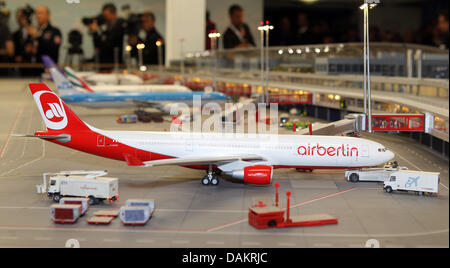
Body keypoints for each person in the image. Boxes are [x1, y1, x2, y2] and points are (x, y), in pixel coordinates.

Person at [88, 3, 125, 69]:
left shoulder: (120, 26)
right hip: (104, 64)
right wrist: (94, 32)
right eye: (104, 16)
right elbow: (98, 45)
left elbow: (107, 46)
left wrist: (95, 33)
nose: (105, 18)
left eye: (106, 15)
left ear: (114, 14)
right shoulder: (107, 27)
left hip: (114, 65)